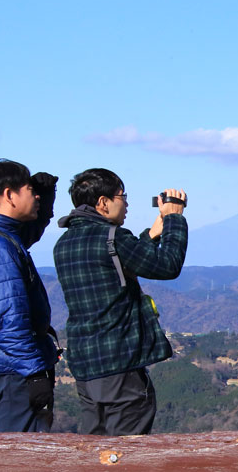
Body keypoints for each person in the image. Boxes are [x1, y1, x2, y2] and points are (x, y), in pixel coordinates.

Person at [53, 168, 187, 435]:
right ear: (103, 203)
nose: (126, 204)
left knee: (97, 446)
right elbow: (168, 266)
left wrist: (149, 237)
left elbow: (115, 265)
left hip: (86, 365)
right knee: (125, 451)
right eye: (122, 196)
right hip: (120, 363)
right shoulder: (113, 238)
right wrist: (174, 220)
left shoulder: (64, 243)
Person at [0, 159, 59, 432]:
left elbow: (28, 233)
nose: (36, 196)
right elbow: (11, 322)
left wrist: (45, 201)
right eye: (30, 189)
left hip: (8, 366)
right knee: (10, 458)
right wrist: (35, 374)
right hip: (12, 371)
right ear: (9, 194)